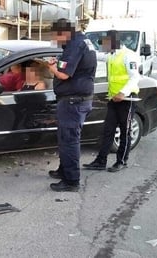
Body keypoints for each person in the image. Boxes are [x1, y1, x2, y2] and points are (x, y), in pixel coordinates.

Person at [46, 18, 97, 192]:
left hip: (73, 102)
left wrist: (50, 67)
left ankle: (72, 181)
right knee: (65, 139)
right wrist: (57, 64)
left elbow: (64, 75)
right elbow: (69, 67)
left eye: (56, 36)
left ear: (64, 32)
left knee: (69, 141)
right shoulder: (81, 42)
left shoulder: (76, 44)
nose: (56, 40)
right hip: (75, 100)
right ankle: (64, 170)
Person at [83, 30, 140, 173]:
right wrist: (84, 44)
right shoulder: (112, 55)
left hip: (127, 99)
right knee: (107, 131)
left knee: (125, 132)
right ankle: (101, 161)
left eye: (105, 43)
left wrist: (122, 93)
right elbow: (96, 55)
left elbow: (135, 77)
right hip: (113, 99)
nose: (103, 46)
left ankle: (121, 161)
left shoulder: (129, 56)